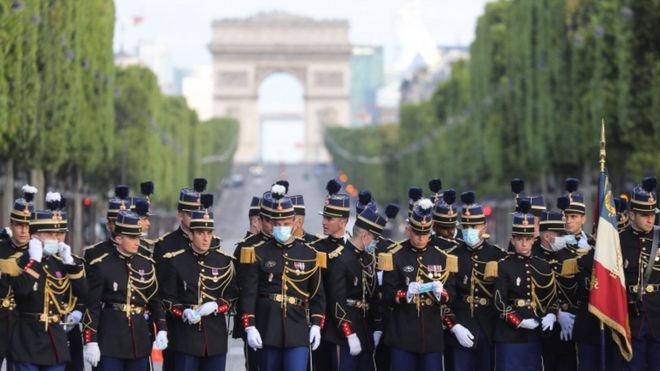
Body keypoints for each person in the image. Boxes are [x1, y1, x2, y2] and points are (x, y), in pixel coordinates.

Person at [238, 184, 325, 371]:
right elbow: (249, 294)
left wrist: (317, 324)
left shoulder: (309, 254)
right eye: (277, 224)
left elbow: (318, 295)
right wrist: (249, 326)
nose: (281, 228)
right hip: (267, 328)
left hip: (297, 329)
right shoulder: (258, 252)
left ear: (295, 223)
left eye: (286, 224)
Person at [160, 194, 238, 371]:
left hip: (215, 338)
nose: (205, 238)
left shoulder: (223, 261)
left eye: (209, 233)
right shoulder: (175, 261)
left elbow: (232, 295)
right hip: (185, 338)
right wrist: (183, 311)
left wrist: (216, 306)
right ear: (191, 235)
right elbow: (168, 298)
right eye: (201, 233)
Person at [82, 210, 167, 371]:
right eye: (132, 238)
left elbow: (155, 301)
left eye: (138, 237)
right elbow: (92, 307)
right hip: (111, 340)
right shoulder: (102, 265)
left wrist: (162, 328)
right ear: (119, 238)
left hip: (139, 340)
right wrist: (91, 340)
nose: (137, 242)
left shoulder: (146, 264)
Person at [380, 198, 457, 371]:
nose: (421, 237)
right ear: (408, 230)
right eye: (416, 233)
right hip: (403, 333)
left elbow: (452, 292)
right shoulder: (395, 255)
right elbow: (387, 293)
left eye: (425, 233)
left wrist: (442, 293)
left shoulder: (442, 257)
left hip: (431, 334)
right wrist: (404, 294)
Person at [8, 206, 87, 371]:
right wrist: (34, 260)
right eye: (49, 235)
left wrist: (70, 264)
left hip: (54, 340)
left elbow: (83, 293)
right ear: (35, 236)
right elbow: (21, 291)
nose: (55, 239)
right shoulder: (19, 262)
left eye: (57, 234)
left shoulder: (59, 263)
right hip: (27, 339)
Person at [492, 199, 558, 371]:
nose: (524, 243)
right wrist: (519, 321)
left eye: (528, 239)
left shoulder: (542, 265)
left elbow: (552, 297)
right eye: (519, 239)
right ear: (512, 240)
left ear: (533, 240)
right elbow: (499, 302)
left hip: (534, 333)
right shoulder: (504, 265)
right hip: (510, 334)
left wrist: (551, 314)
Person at [445, 191, 508, 371]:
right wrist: (454, 325)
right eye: (465, 226)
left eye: (474, 225)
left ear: (484, 228)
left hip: (488, 325)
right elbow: (446, 296)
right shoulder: (452, 256)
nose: (469, 230)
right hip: (461, 322)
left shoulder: (497, 255)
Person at [324, 207, 387, 371]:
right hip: (344, 333)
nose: (376, 243)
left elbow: (372, 296)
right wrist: (349, 333)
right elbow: (337, 300)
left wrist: (377, 327)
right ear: (365, 236)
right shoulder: (339, 259)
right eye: (375, 238)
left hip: (365, 330)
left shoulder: (367, 259)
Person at [618, 177, 660, 370]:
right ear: (632, 215)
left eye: (652, 213)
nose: (651, 219)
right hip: (630, 319)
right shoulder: (618, 240)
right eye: (645, 214)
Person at [310, 179, 350, 371]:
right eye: (324, 217)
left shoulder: (355, 249)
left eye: (329, 218)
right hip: (324, 324)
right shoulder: (316, 249)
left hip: (351, 323)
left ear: (343, 221)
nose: (323, 222)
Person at [533, 209, 578, 371]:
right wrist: (554, 314)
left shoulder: (570, 257)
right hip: (543, 324)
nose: (563, 238)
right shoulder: (533, 257)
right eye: (559, 234)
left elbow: (578, 291)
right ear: (546, 236)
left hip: (568, 324)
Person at [0, 185, 37, 369]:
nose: (24, 231)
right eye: (19, 225)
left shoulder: (35, 252)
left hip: (22, 323)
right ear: (11, 225)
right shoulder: (1, 248)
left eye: (28, 226)